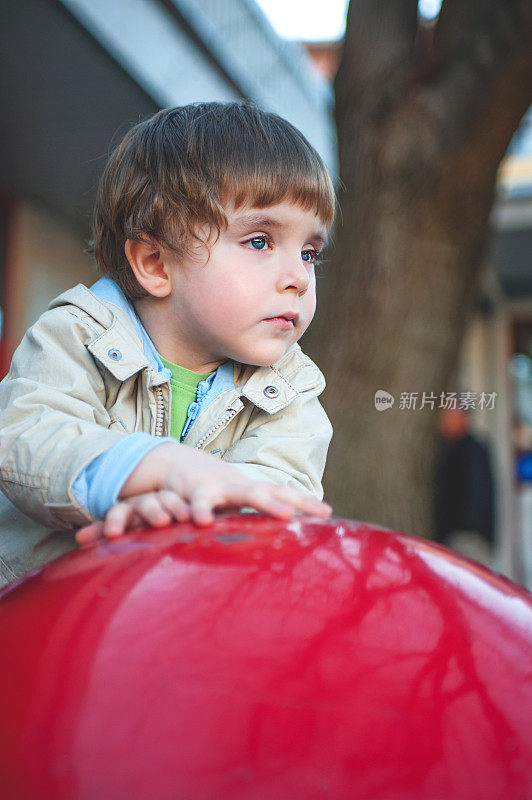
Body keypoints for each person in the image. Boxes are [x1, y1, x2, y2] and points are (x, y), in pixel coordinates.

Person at [0, 102, 336, 585]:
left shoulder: (291, 391)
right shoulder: (80, 335)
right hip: (39, 617)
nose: (299, 278)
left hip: (178, 620)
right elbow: (25, 436)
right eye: (260, 241)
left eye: (309, 253)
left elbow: (279, 495)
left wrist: (184, 514)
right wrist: (150, 468)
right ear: (155, 263)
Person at [434, 404, 495, 565]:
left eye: (449, 414)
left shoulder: (472, 451)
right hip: (451, 539)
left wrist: (466, 529)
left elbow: (477, 494)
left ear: (463, 417)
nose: (443, 420)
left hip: (467, 540)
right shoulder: (447, 448)